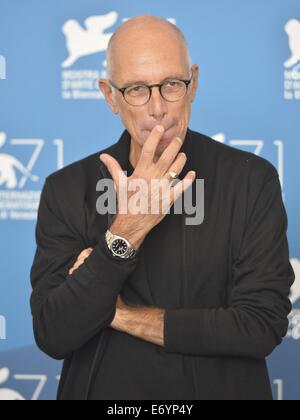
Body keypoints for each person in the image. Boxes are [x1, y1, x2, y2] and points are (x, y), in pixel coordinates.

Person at [30, 15, 295, 400]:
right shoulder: (68, 189)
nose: (158, 108)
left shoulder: (251, 180)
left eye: (171, 84)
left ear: (194, 83)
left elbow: (260, 325)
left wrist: (120, 315)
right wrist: (125, 231)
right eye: (137, 88)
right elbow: (54, 333)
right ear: (110, 96)